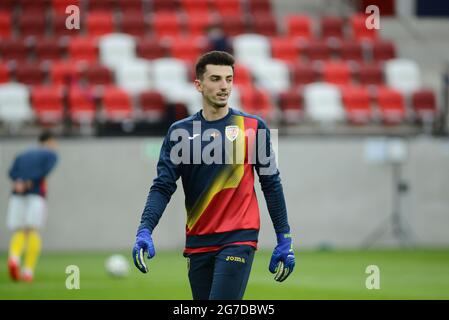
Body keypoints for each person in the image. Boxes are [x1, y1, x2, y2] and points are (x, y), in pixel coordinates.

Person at [132, 51, 295, 300]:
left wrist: (284, 237)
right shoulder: (180, 132)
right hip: (198, 241)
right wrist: (145, 229)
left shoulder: (254, 127)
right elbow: (162, 187)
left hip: (239, 238)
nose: (224, 86)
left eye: (229, 79)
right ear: (198, 84)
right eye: (216, 79)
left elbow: (271, 184)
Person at [6, 131, 58, 282]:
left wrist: (19, 181)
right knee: (33, 230)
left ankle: (14, 258)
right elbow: (44, 171)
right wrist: (30, 181)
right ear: (49, 141)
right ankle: (28, 271)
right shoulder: (50, 155)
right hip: (36, 195)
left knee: (20, 230)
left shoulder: (23, 154)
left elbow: (11, 172)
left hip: (17, 194)